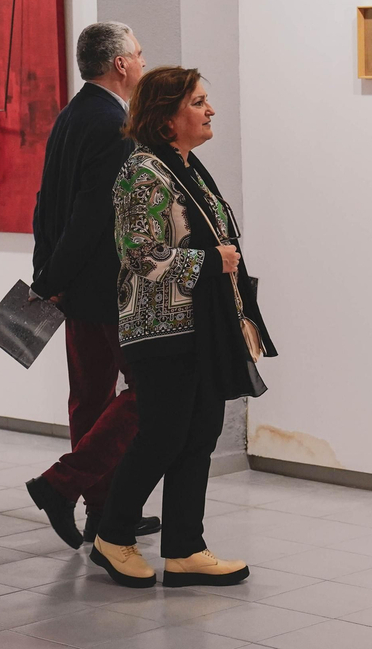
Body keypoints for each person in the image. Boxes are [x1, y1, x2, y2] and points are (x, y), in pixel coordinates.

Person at [89, 66, 276, 589]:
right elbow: (140, 256)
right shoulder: (143, 173)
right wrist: (209, 261)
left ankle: (185, 549)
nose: (210, 109)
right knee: (164, 435)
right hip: (161, 327)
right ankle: (114, 535)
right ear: (167, 117)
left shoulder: (186, 168)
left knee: (200, 434)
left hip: (201, 325)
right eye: (198, 102)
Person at [25, 22, 161, 548]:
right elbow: (89, 216)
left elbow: (45, 205)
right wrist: (53, 278)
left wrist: (48, 278)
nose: (144, 64)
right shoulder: (112, 123)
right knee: (148, 394)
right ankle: (62, 484)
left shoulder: (72, 113)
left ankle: (104, 510)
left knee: (89, 396)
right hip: (107, 290)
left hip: (75, 287)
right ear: (121, 64)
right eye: (140, 54)